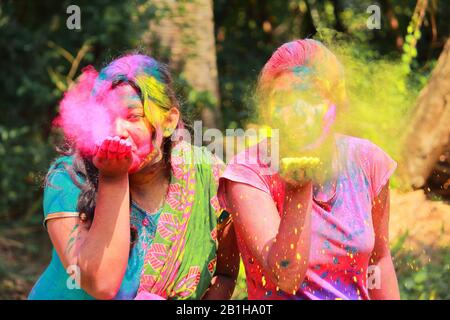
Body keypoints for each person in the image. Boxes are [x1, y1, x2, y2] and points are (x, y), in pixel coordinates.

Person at [29, 54, 239, 300]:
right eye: (106, 117)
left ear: (168, 121)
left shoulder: (206, 176)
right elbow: (102, 284)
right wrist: (113, 177)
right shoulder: (69, 178)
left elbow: (225, 275)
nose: (117, 130)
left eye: (132, 117)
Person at [218, 39, 400, 300]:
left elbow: (379, 259)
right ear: (268, 112)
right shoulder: (249, 172)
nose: (299, 111)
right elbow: (286, 277)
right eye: (283, 99)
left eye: (313, 96)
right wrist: (299, 181)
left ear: (338, 104)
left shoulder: (368, 161)